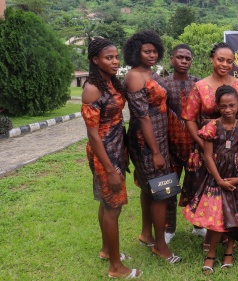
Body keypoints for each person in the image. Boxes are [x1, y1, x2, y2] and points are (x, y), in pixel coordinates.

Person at [180, 42, 238, 252]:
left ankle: (228, 233)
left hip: (234, 153)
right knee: (209, 193)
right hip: (207, 150)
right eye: (220, 59)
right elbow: (189, 118)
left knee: (231, 190)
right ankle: (209, 236)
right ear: (212, 59)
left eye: (229, 61)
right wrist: (202, 142)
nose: (225, 64)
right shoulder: (201, 87)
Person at [81, 38, 142, 278]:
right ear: (95, 60)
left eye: (116, 57)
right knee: (113, 208)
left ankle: (107, 250)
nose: (115, 61)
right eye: (109, 58)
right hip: (105, 154)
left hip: (117, 149)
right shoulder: (92, 88)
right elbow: (93, 135)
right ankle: (116, 267)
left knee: (106, 203)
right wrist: (110, 169)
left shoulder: (110, 82)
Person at [123, 30, 181, 263]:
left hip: (158, 139)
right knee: (161, 191)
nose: (152, 55)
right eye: (147, 51)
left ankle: (146, 234)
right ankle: (160, 246)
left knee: (150, 188)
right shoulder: (135, 75)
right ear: (136, 52)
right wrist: (156, 152)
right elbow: (143, 116)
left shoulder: (151, 73)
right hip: (146, 142)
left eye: (155, 51)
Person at [183, 85, 238, 273]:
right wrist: (220, 180)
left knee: (234, 215)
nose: (228, 109)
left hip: (235, 177)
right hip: (216, 177)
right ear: (217, 106)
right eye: (223, 106)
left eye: (232, 105)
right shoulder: (211, 127)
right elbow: (207, 156)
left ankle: (229, 251)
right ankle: (211, 254)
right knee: (216, 219)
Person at [163, 44, 204, 244]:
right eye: (180, 57)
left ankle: (198, 225)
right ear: (172, 59)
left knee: (196, 188)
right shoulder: (162, 85)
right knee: (168, 189)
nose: (184, 61)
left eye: (188, 58)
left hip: (194, 147)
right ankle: (168, 228)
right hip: (169, 148)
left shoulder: (198, 84)